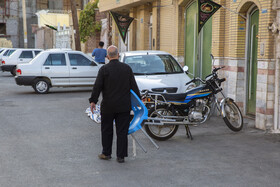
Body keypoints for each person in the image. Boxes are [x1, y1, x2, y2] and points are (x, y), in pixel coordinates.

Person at [89, 45, 140, 163]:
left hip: (108, 106)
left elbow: (97, 86)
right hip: (123, 106)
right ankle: (121, 156)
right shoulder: (127, 69)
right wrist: (139, 100)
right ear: (118, 55)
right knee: (122, 131)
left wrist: (93, 101)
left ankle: (106, 153)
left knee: (106, 130)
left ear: (107, 56)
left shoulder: (103, 70)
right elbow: (134, 86)